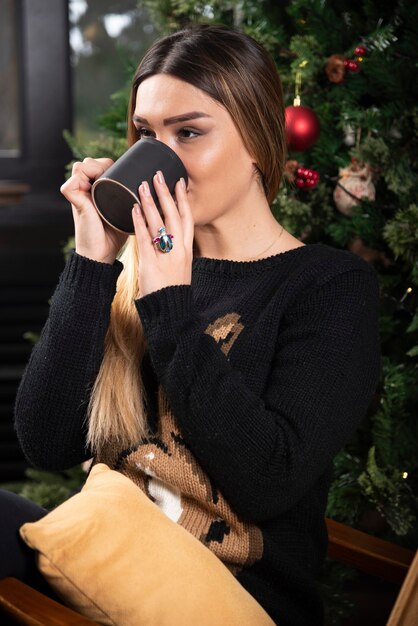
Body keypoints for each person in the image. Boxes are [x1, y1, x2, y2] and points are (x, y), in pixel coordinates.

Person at [3, 23, 380, 626]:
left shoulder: (328, 288)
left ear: (256, 140)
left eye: (189, 133)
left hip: (224, 596)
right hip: (105, 564)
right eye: (147, 134)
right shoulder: (133, 271)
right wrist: (93, 263)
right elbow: (47, 442)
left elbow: (267, 483)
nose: (159, 161)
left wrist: (170, 306)